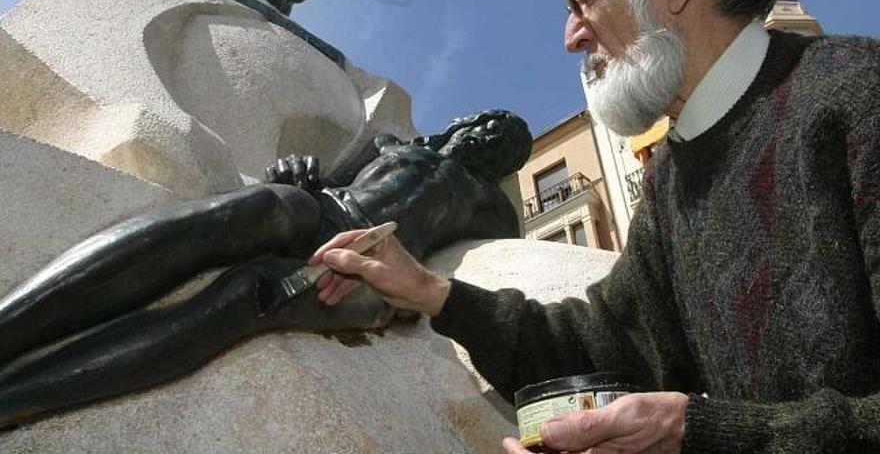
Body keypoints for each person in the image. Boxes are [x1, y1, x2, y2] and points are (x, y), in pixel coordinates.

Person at [312, 0, 880, 452]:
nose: (571, 37)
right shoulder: (670, 184)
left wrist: (695, 433)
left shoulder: (859, 95)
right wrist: (428, 291)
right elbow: (605, 344)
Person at [0, 109, 531, 428]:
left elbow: (503, 258)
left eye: (504, 146)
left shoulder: (490, 205)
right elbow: (322, 179)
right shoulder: (390, 145)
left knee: (249, 294)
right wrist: (294, 169)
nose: (491, 140)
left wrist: (416, 297)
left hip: (378, 269)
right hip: (330, 209)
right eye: (490, 127)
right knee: (245, 211)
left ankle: (14, 398)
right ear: (463, 122)